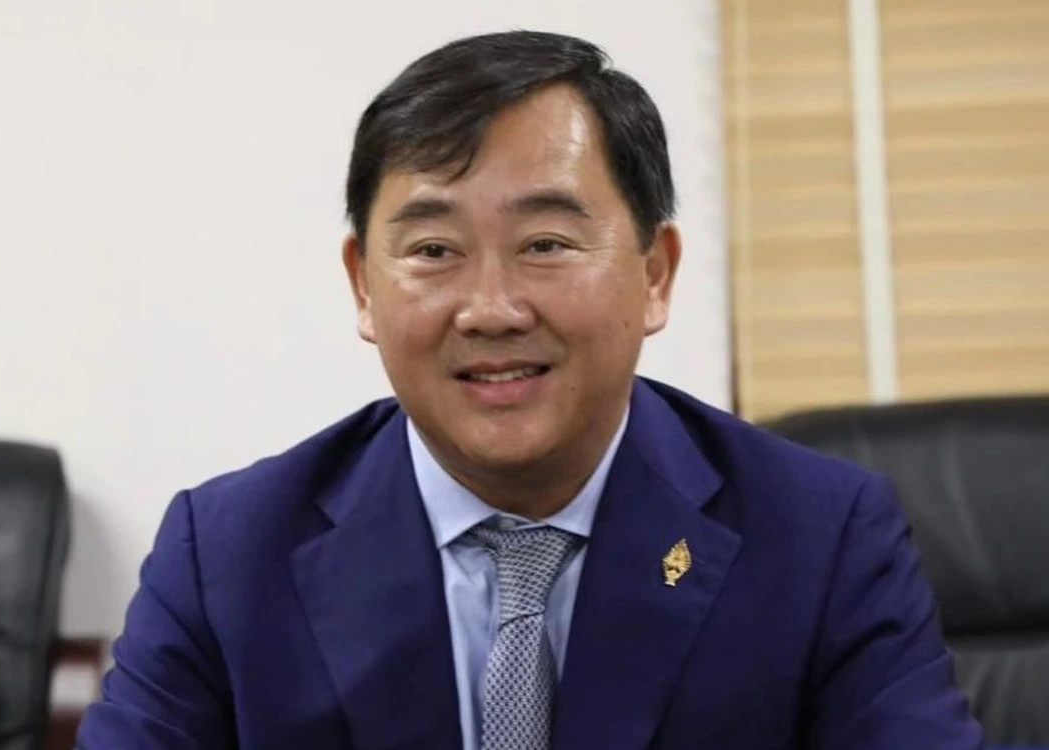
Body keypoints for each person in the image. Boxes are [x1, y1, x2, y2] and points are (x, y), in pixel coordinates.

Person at [76, 30, 983, 750]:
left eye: (545, 244)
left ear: (655, 273)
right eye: (434, 250)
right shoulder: (227, 556)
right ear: (362, 286)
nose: (492, 309)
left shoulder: (821, 536)